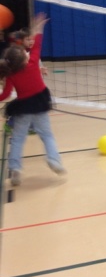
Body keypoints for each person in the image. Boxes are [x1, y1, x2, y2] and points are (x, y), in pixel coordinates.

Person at [0, 13, 65, 186]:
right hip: (40, 104)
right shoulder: (33, 62)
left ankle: (15, 168)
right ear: (23, 59)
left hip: (22, 108)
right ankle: (54, 161)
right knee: (47, 135)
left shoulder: (11, 73)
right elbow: (37, 45)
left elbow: (5, 95)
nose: (27, 53)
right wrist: (39, 28)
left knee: (18, 138)